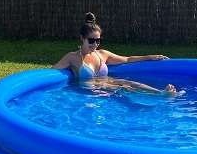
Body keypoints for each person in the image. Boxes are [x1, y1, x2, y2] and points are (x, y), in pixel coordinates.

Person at [52, 12, 183, 95]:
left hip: (108, 87)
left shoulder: (102, 54)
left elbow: (126, 59)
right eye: (91, 40)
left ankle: (160, 93)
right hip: (89, 93)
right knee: (126, 90)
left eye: (98, 40)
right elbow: (51, 72)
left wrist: (150, 57)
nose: (95, 44)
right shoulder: (72, 58)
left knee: (130, 84)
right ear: (82, 38)